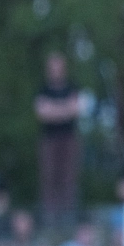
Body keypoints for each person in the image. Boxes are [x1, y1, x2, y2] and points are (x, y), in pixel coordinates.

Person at [33, 53, 85, 227]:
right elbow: (42, 113)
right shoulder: (43, 89)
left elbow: (76, 109)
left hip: (69, 139)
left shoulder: (72, 86)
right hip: (49, 140)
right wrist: (65, 110)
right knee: (49, 179)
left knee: (69, 178)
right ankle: (50, 222)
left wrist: (54, 110)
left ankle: (69, 221)